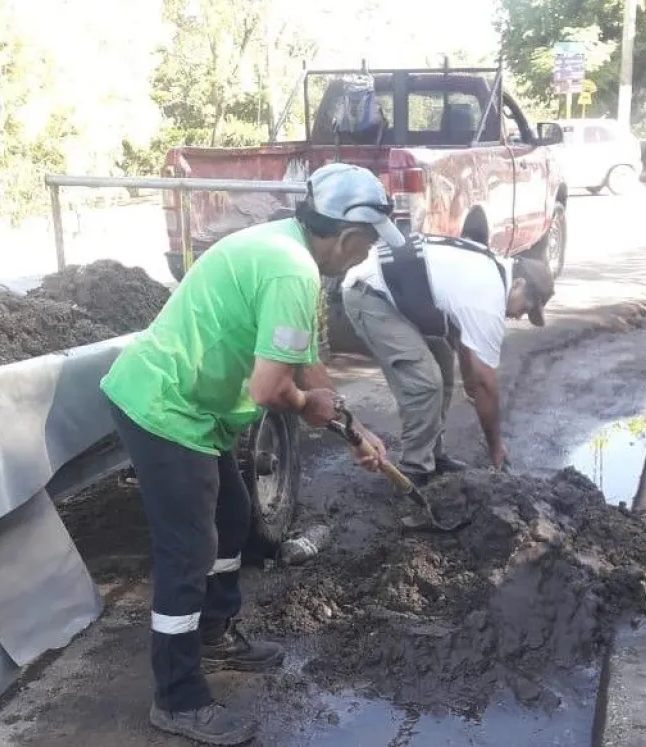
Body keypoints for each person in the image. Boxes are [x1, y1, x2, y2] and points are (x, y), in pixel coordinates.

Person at [100, 162, 404, 745]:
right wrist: (309, 407)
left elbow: (304, 362)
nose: (367, 255)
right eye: (367, 242)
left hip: (195, 411)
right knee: (188, 552)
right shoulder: (292, 272)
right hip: (164, 409)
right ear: (345, 236)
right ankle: (178, 698)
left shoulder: (286, 249)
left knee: (233, 518)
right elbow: (272, 391)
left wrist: (352, 427)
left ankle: (214, 636)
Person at [341, 234, 555, 483]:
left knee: (443, 363)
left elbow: (464, 342)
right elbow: (487, 383)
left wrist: (470, 382)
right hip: (369, 294)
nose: (520, 316)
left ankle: (433, 454)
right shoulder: (488, 296)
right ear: (517, 284)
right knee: (425, 383)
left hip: (397, 292)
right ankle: (415, 471)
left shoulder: (490, 268)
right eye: (526, 308)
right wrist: (496, 448)